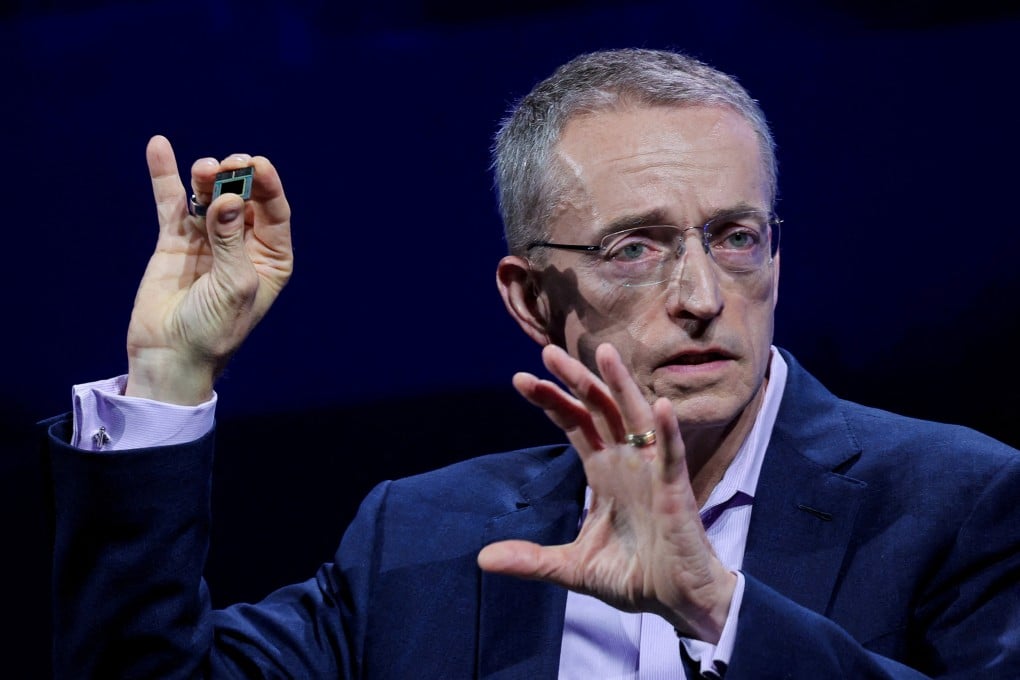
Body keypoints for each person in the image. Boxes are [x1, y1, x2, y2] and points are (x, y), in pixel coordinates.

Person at [42, 47, 1020, 679]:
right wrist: (170, 374)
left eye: (735, 237)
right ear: (527, 296)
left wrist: (718, 607)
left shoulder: (960, 499)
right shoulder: (419, 538)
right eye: (633, 247)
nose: (701, 294)